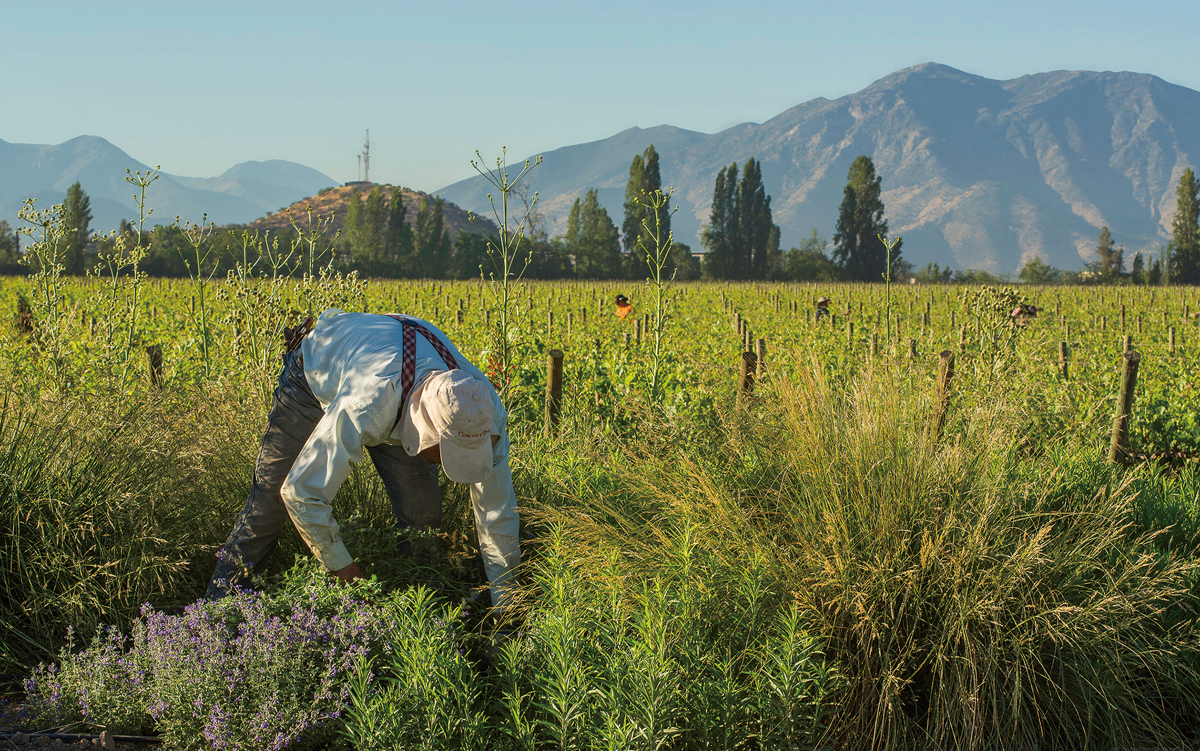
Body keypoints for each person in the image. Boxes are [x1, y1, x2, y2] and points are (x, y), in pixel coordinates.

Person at [206, 309, 521, 610]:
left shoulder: (481, 411)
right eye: (448, 453)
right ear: (424, 431)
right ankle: (214, 616)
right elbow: (301, 492)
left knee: (422, 517)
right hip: (316, 373)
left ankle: (416, 604)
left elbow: (498, 515)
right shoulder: (370, 402)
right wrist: (346, 573)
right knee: (270, 501)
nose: (450, 464)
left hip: (397, 367)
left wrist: (506, 602)